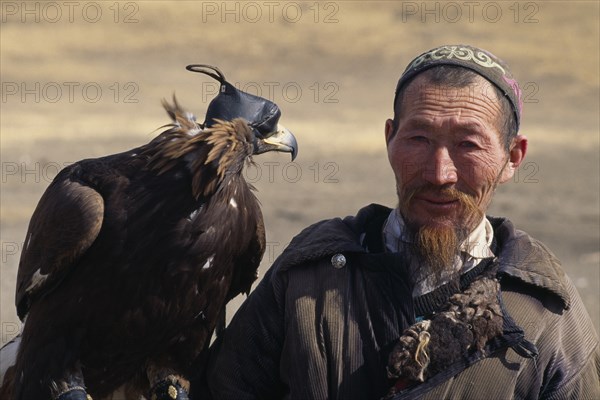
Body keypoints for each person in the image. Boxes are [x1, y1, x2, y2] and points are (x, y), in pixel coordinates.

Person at [205, 45, 600, 400]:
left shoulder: (546, 312)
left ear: (513, 157)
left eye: (468, 144)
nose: (439, 173)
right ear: (390, 138)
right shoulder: (310, 277)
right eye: (418, 139)